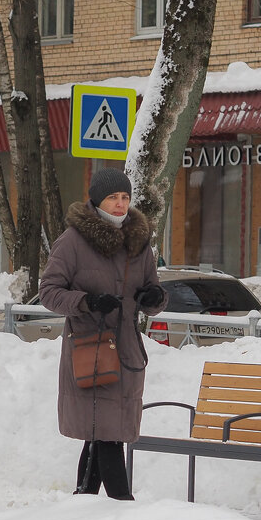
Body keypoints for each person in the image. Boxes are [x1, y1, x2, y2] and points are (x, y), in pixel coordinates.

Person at [38, 168, 168, 500]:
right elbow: (49, 292)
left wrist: (154, 298)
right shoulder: (72, 242)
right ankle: (122, 505)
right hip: (90, 349)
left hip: (125, 351)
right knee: (106, 433)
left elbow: (153, 289)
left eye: (125, 197)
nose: (120, 204)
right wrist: (87, 301)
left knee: (103, 434)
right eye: (113, 197)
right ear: (97, 200)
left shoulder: (139, 242)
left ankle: (84, 502)